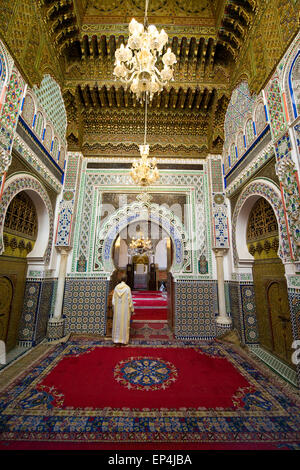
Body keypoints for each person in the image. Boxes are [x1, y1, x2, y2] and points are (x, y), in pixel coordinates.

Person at [112, 273, 134, 345]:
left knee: (117, 323)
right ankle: (123, 340)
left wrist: (114, 309)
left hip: (117, 309)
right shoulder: (127, 288)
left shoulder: (116, 288)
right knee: (124, 324)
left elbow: (113, 301)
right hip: (125, 310)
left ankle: (116, 339)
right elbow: (130, 300)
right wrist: (132, 309)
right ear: (126, 280)